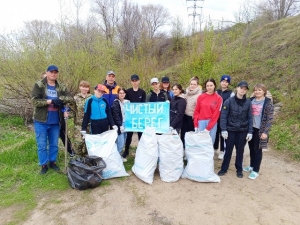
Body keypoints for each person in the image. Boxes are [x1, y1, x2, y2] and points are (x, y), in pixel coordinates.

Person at [31, 65, 73, 174]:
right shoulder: (39, 85)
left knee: (54, 144)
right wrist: (50, 101)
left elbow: (70, 97)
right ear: (47, 72)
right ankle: (44, 165)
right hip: (41, 121)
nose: (53, 74)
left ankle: (52, 162)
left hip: (56, 121)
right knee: (42, 145)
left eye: (55, 72)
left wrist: (60, 99)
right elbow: (35, 101)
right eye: (51, 72)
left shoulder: (61, 86)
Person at [218, 81, 253, 178]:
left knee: (240, 151)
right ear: (237, 88)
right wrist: (223, 129)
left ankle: (239, 169)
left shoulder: (248, 102)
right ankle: (224, 168)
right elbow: (223, 116)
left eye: (245, 89)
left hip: (242, 131)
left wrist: (250, 131)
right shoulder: (228, 101)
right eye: (241, 88)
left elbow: (250, 117)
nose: (243, 90)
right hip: (230, 130)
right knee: (228, 150)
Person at [244, 84, 274, 180]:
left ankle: (256, 170)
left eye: (260, 90)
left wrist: (265, 132)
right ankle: (252, 166)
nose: (257, 92)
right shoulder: (251, 100)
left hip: (260, 130)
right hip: (250, 129)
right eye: (256, 90)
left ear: (264, 91)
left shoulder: (267, 103)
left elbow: (269, 119)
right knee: (251, 148)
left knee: (257, 150)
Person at [41, 71, 74, 156]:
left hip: (59, 117)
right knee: (45, 139)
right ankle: (47, 156)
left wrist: (65, 110)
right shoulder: (41, 90)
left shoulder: (58, 89)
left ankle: (71, 151)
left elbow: (66, 101)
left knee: (63, 135)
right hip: (45, 118)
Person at [122, 74, 146, 159]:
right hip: (130, 118)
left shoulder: (142, 92)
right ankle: (126, 151)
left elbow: (143, 106)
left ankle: (141, 151)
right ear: (131, 82)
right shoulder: (128, 92)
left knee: (140, 135)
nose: (135, 82)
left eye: (136, 81)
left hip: (139, 117)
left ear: (139, 81)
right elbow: (126, 104)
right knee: (129, 135)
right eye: (133, 81)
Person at [193, 78, 223, 145]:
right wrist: (196, 125)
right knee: (201, 143)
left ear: (214, 86)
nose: (209, 87)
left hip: (212, 123)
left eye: (211, 85)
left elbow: (216, 114)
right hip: (201, 122)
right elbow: (197, 111)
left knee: (210, 143)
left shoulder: (219, 98)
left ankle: (210, 155)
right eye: (207, 86)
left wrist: (208, 127)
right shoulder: (201, 97)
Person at [214, 75, 235, 160]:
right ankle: (214, 149)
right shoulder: (216, 92)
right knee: (215, 133)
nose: (224, 83)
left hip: (225, 117)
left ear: (228, 84)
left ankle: (222, 150)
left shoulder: (231, 93)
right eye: (223, 81)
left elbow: (232, 106)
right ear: (220, 82)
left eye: (226, 82)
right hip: (216, 116)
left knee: (223, 134)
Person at [180, 76, 202, 147]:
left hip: (192, 118)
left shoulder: (199, 95)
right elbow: (183, 97)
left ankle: (191, 150)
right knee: (183, 134)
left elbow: (200, 107)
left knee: (191, 135)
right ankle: (183, 149)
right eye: (191, 84)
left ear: (197, 85)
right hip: (185, 116)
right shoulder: (187, 93)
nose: (192, 86)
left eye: (194, 84)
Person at [72, 80, 92, 155]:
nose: (84, 89)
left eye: (86, 87)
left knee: (88, 143)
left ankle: (87, 158)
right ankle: (79, 157)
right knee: (78, 142)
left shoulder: (91, 98)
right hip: (79, 124)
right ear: (80, 87)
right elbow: (73, 110)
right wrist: (67, 114)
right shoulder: (75, 98)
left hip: (89, 124)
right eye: (83, 87)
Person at [111, 87, 130, 162]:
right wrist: (120, 125)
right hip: (120, 125)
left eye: (123, 93)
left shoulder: (127, 102)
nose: (122, 94)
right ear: (118, 94)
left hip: (126, 123)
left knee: (124, 139)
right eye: (120, 93)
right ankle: (117, 158)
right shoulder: (116, 102)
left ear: (125, 94)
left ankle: (119, 156)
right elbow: (115, 115)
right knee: (120, 142)